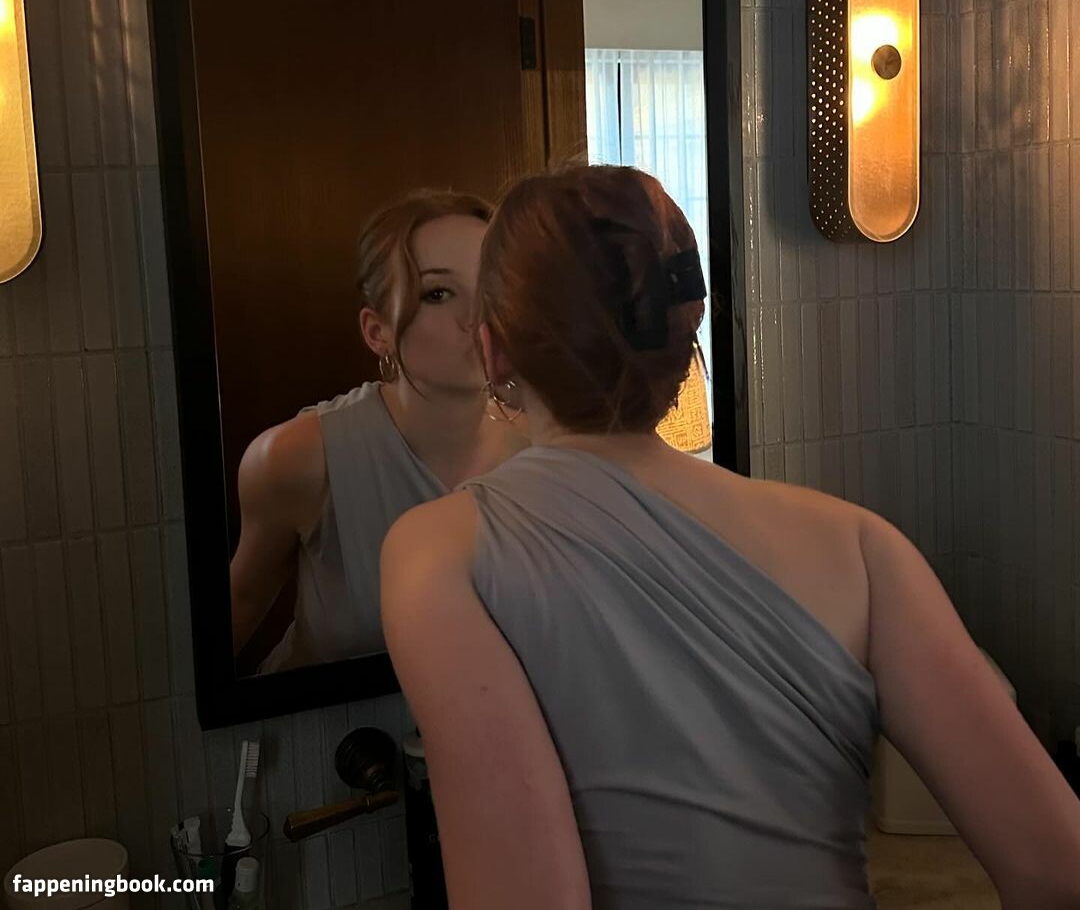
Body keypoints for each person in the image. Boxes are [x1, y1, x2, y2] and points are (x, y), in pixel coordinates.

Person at [381, 165, 1080, 909]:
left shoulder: (438, 554)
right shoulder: (860, 548)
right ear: (686, 334)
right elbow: (1058, 870)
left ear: (493, 352)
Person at [230, 189, 527, 673]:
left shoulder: (545, 449)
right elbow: (231, 620)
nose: (478, 318)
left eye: (493, 288)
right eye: (437, 293)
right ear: (377, 331)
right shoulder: (299, 458)